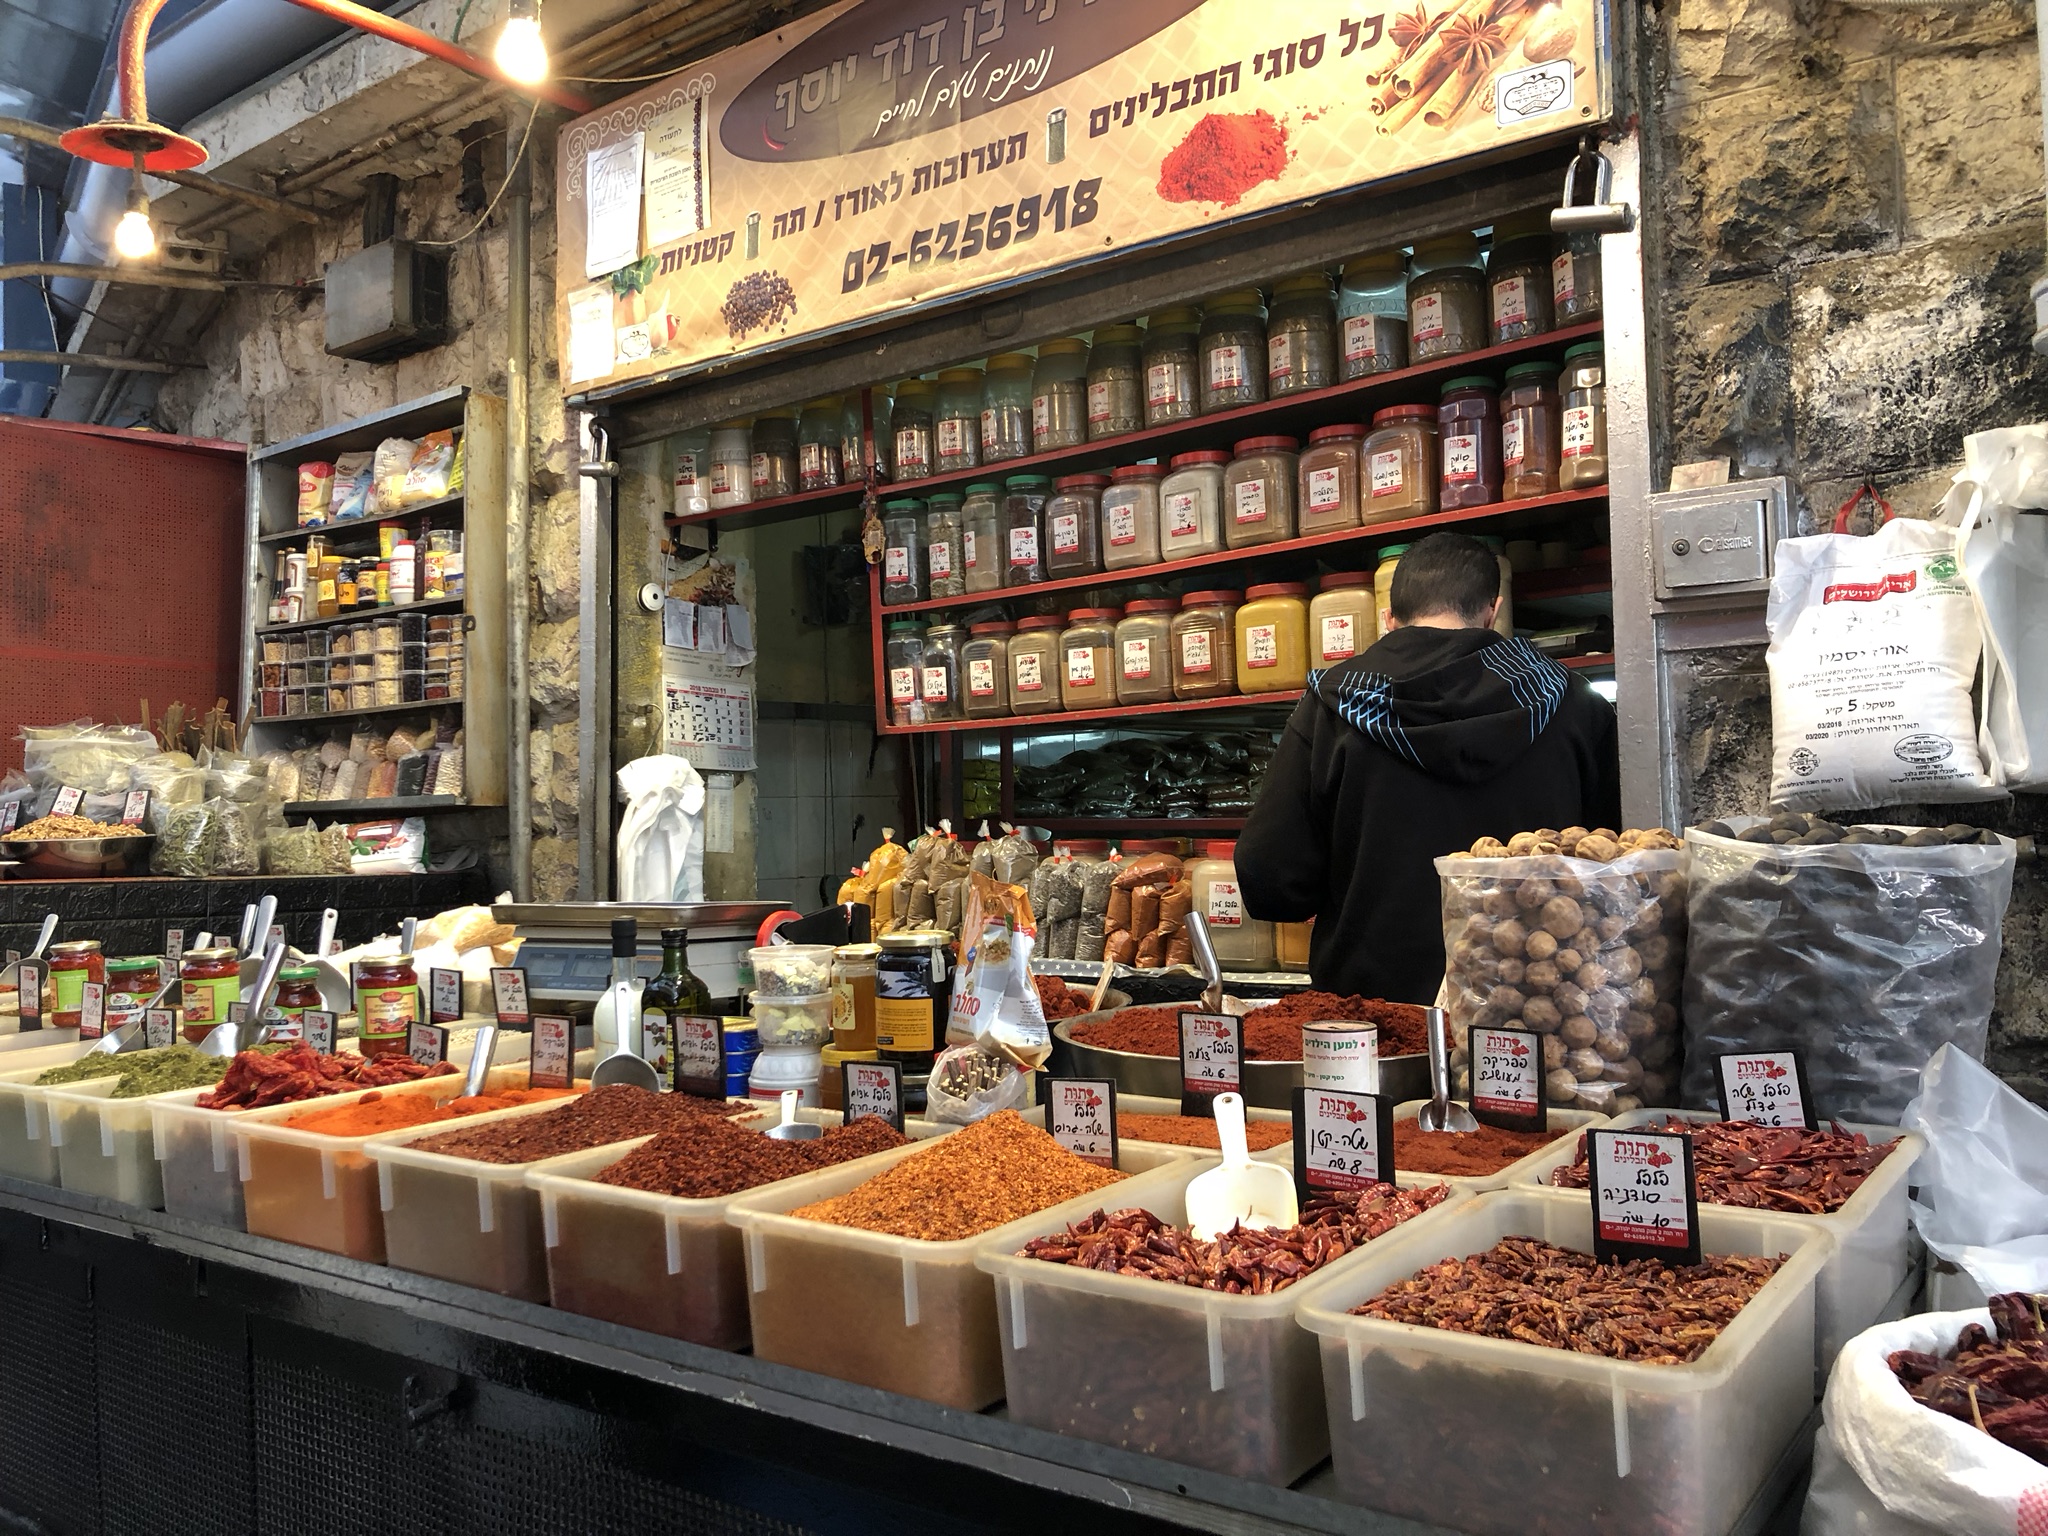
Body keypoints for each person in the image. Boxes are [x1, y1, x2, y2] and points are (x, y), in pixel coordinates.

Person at [1236, 532, 1620, 1003]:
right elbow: (1613, 866)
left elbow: (1270, 879)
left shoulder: (1332, 706)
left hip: (1370, 1011)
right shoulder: (1574, 704)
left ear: (1388, 618)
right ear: (1493, 611)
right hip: (1535, 1001)